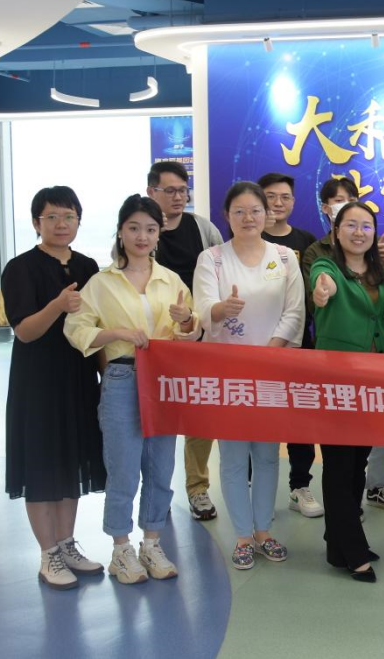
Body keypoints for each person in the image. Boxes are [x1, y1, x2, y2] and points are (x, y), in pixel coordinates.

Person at [64, 194, 200, 584]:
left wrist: (186, 320)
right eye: (134, 228)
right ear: (121, 232)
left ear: (159, 234)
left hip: (164, 381)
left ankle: (152, 542)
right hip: (123, 377)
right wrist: (117, 333)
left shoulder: (170, 280)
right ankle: (121, 548)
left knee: (160, 467)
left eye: (151, 229)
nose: (142, 236)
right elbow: (76, 330)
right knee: (123, 468)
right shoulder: (101, 283)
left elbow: (190, 334)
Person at [193, 181, 305, 570]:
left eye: (255, 210)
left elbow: (295, 311)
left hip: (272, 371)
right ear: (226, 216)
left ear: (267, 214)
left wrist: (269, 354)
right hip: (229, 375)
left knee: (268, 455)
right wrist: (222, 309)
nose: (248, 217)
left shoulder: (285, 257)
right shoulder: (212, 259)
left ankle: (264, 531)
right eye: (238, 211)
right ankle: (242, 536)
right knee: (233, 457)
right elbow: (203, 308)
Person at [2, 186, 106, 590]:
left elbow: (96, 325)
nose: (62, 224)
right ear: (36, 222)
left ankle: (66, 543)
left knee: (71, 460)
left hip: (78, 376)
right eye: (52, 217)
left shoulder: (87, 265)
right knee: (43, 464)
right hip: (38, 381)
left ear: (78, 220)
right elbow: (25, 331)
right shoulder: (20, 268)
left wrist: (105, 377)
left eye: (69, 216)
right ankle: (48, 554)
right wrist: (58, 306)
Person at [309, 202, 384, 583]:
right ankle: (353, 548)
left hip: (374, 381)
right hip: (337, 381)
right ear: (336, 231)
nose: (359, 232)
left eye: (366, 226)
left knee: (358, 463)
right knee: (338, 464)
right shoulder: (326, 266)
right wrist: (322, 291)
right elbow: (322, 286)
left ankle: (339, 543)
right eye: (350, 225)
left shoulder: (383, 275)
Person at [146, 161, 225, 523]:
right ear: (152, 192)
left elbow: (223, 269)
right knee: (157, 418)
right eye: (170, 190)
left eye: (182, 190)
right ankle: (155, 492)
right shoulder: (142, 230)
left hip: (200, 335)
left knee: (200, 415)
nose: (178, 197)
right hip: (156, 341)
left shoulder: (202, 228)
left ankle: (197, 488)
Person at [257, 172, 325, 519]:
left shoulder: (306, 241)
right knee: (258, 419)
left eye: (284, 197)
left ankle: (300, 487)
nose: (277, 203)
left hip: (300, 342)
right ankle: (256, 490)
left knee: (301, 418)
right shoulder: (248, 239)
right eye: (270, 196)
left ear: (294, 202)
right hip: (256, 345)